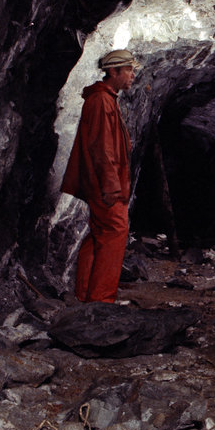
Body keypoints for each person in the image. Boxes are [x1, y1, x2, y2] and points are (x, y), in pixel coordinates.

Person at [61, 48, 137, 303]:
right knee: (115, 232)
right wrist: (111, 187)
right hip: (105, 185)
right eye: (128, 70)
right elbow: (102, 148)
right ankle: (101, 300)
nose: (132, 75)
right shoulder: (101, 101)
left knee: (99, 234)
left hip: (103, 182)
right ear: (113, 72)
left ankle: (84, 295)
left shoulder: (106, 99)